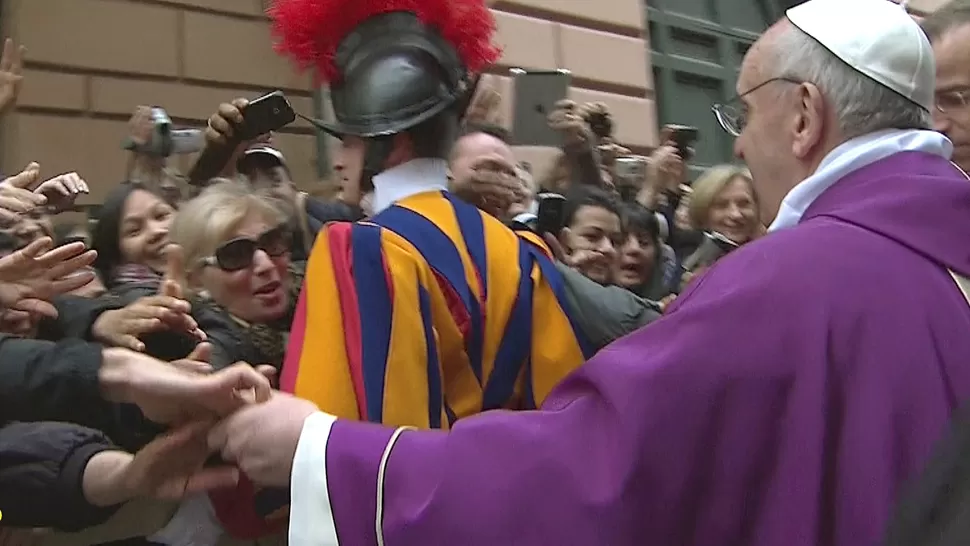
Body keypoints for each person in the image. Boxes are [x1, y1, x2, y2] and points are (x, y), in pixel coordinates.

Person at [207, 0, 970, 544]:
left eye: (744, 117)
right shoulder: (521, 249)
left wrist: (324, 454)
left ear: (804, 115)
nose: (736, 149)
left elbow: (594, 464)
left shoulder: (792, 279)